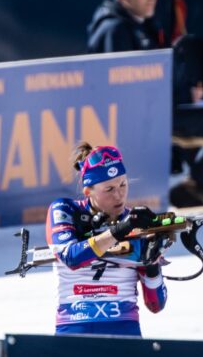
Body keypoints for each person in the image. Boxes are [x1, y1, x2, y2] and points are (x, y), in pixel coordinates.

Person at [87, 0, 203, 206]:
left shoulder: (147, 26)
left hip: (161, 111)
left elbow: (159, 78)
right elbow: (129, 91)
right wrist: (183, 95)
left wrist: (197, 91)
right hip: (139, 121)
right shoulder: (114, 31)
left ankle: (193, 190)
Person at [45, 143, 167, 336]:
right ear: (88, 191)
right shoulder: (65, 209)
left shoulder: (137, 222)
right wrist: (121, 230)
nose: (118, 195)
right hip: (74, 326)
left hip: (124, 328)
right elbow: (71, 257)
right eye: (108, 189)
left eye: (123, 185)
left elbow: (156, 305)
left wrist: (151, 264)